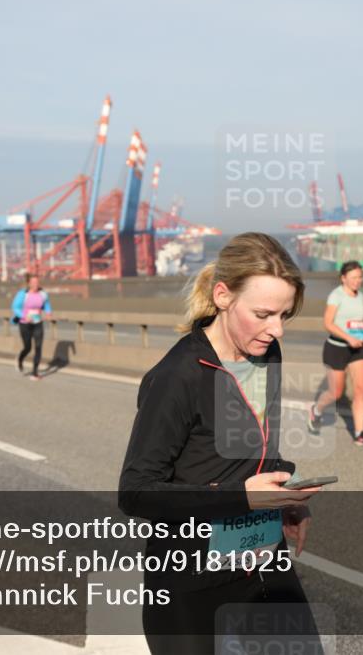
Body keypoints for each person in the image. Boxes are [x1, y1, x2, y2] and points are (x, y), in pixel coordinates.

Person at [119, 233, 321, 654]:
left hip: (265, 564)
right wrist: (241, 497)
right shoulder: (178, 376)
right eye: (264, 313)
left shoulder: (268, 352)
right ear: (223, 295)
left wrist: (287, 495)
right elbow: (136, 492)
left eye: (285, 314)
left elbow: (253, 448)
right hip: (191, 585)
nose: (276, 329)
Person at [307, 260, 363, 448]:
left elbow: (357, 324)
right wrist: (348, 338)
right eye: (353, 277)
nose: (357, 281)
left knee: (361, 389)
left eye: (360, 277)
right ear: (343, 278)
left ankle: (359, 433)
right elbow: (328, 323)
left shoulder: (360, 296)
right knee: (336, 393)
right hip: (336, 348)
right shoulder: (335, 295)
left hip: (357, 348)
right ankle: (316, 410)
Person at [11, 274, 52, 380]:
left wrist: (48, 312)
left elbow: (46, 304)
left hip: (38, 323)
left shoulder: (43, 294)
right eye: (33, 283)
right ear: (29, 283)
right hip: (25, 324)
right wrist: (24, 316)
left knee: (38, 347)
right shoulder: (22, 294)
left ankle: (34, 373)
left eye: (37, 282)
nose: (35, 284)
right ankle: (20, 359)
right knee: (27, 347)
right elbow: (15, 307)